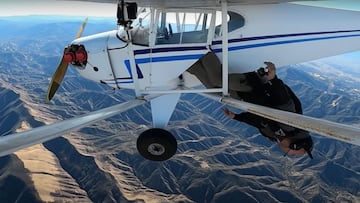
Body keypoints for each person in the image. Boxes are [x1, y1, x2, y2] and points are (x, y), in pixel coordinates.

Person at [223, 62, 314, 159]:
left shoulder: (275, 135)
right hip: (255, 87)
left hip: (248, 96)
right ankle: (207, 53)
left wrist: (236, 117)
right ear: (295, 145)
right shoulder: (290, 124)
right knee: (219, 80)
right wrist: (273, 79)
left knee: (216, 88)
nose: (290, 154)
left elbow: (258, 121)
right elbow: (283, 100)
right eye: (294, 153)